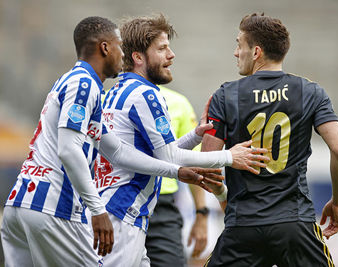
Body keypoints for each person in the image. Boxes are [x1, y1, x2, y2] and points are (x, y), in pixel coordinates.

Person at [0, 16, 224, 267]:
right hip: (54, 206)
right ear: (105, 48)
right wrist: (97, 210)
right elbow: (68, 149)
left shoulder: (81, 86)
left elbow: (119, 152)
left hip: (19, 202)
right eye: (120, 46)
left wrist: (179, 165)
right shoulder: (85, 84)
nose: (123, 54)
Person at [96, 14, 269, 267]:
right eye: (162, 48)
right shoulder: (145, 94)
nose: (171, 55)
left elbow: (155, 155)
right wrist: (231, 157)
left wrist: (195, 135)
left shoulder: (115, 92)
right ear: (138, 57)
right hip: (123, 212)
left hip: (116, 208)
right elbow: (169, 158)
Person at [202, 13, 338, 267]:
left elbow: (207, 166)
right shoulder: (310, 92)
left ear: (256, 51)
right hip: (295, 225)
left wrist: (225, 199)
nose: (236, 53)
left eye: (239, 45)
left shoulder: (225, 96)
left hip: (243, 226)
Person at [145, 85, 209, 267]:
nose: (170, 55)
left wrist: (201, 215)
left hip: (162, 207)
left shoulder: (178, 103)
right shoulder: (108, 100)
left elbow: (193, 164)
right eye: (161, 52)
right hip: (119, 205)